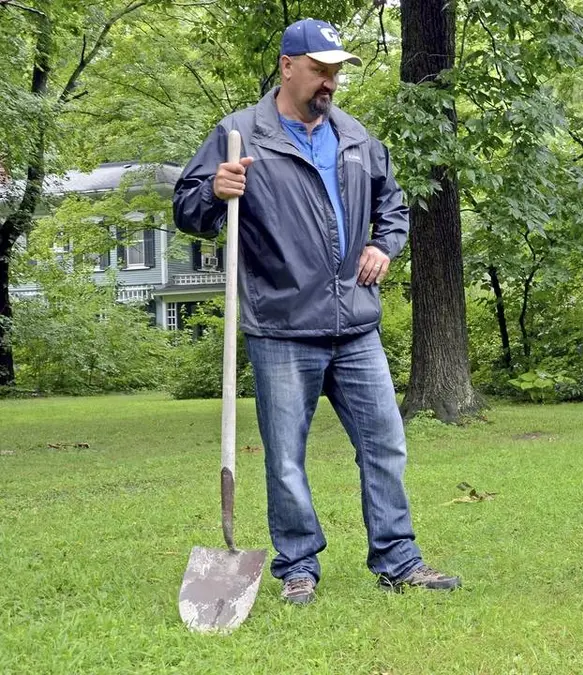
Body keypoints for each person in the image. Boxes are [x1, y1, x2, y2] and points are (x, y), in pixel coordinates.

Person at [173, 18, 459, 605]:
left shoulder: (355, 138)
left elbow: (394, 205)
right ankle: (298, 565)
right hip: (281, 326)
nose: (330, 82)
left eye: (336, 72)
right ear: (287, 66)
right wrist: (214, 191)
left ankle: (398, 559)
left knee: (385, 444)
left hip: (355, 325)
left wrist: (383, 244)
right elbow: (188, 209)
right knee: (285, 459)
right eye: (321, 69)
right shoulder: (238, 136)